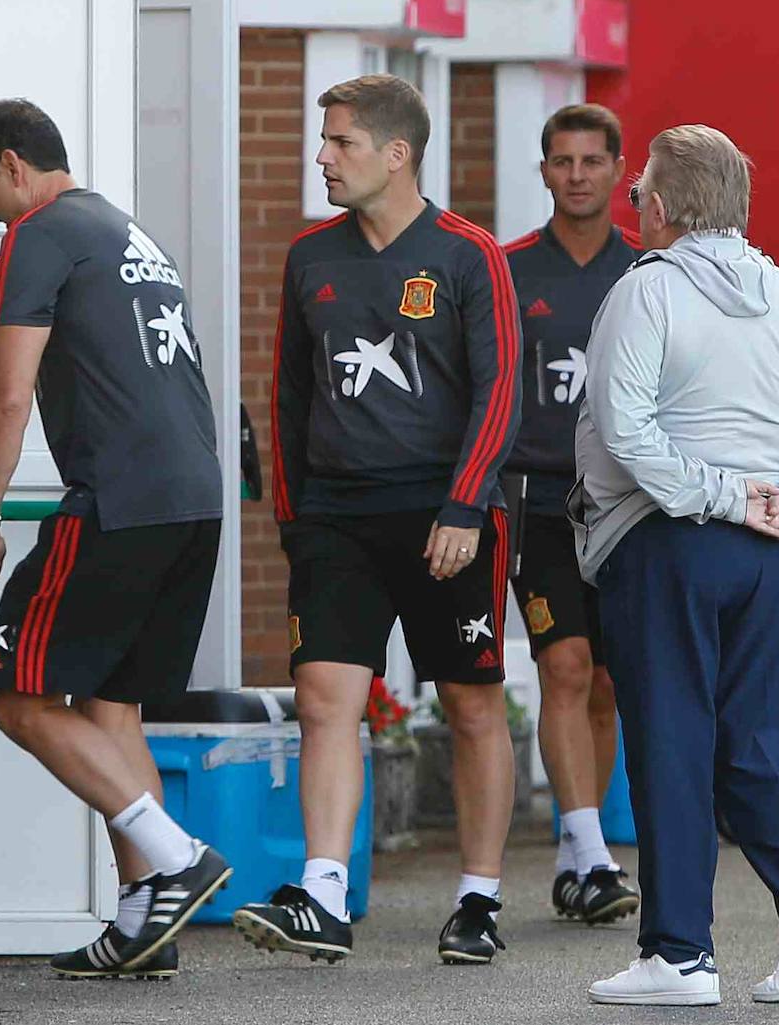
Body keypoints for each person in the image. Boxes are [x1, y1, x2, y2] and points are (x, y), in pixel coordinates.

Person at [573, 125, 779, 1006]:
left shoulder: (646, 292)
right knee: (749, 748)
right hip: (767, 551)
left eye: (636, 194)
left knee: (670, 740)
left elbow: (625, 430)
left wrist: (721, 494)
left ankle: (677, 954)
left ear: (661, 207)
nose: (634, 207)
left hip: (665, 541)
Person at [232, 74, 521, 965]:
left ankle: (478, 899)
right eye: (324, 141)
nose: (321, 157)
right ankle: (323, 893)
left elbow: (501, 390)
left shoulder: (471, 255)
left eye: (340, 142)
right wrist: (295, 519)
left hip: (447, 516)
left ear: (397, 153)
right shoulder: (310, 257)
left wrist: (466, 502)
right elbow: (287, 397)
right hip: (336, 520)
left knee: (473, 705)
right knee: (326, 702)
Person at [0, 99, 230, 981]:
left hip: (119, 499)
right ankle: (146, 922)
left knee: (20, 698)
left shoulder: (40, 233)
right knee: (111, 706)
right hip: (195, 495)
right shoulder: (125, 230)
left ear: (14, 166)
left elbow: (9, 389)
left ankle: (177, 857)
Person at [501, 103, 640, 925]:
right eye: (563, 161)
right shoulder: (510, 268)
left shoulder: (648, 269)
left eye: (593, 160)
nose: (578, 174)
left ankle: (573, 852)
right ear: (545, 171)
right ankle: (592, 855)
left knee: (608, 686)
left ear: (619, 170)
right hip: (540, 500)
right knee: (565, 664)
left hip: (626, 505)